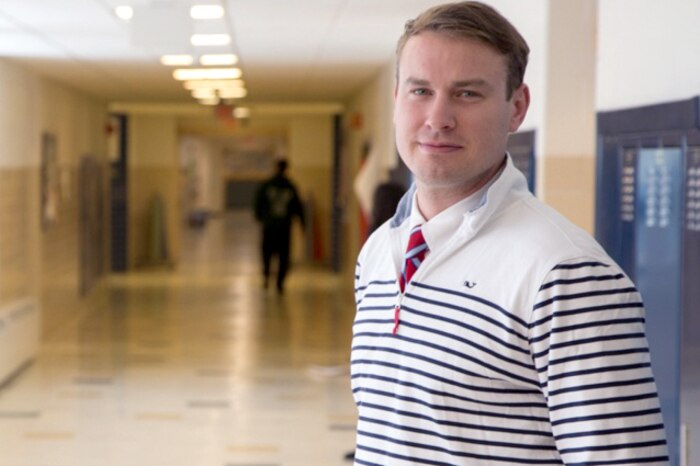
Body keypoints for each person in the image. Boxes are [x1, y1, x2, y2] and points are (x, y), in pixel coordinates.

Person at [351, 2, 669, 465]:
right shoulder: (380, 252)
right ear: (397, 97)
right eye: (421, 90)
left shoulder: (566, 273)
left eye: (467, 94)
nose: (437, 118)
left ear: (516, 107)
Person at [253, 159, 305, 293]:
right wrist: (302, 223)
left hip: (269, 227)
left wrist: (260, 218)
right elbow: (298, 207)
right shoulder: (290, 186)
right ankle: (280, 283)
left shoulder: (266, 185)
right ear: (286, 169)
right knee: (283, 256)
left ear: (276, 168)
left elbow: (258, 203)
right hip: (284, 228)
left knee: (267, 254)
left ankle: (266, 277)